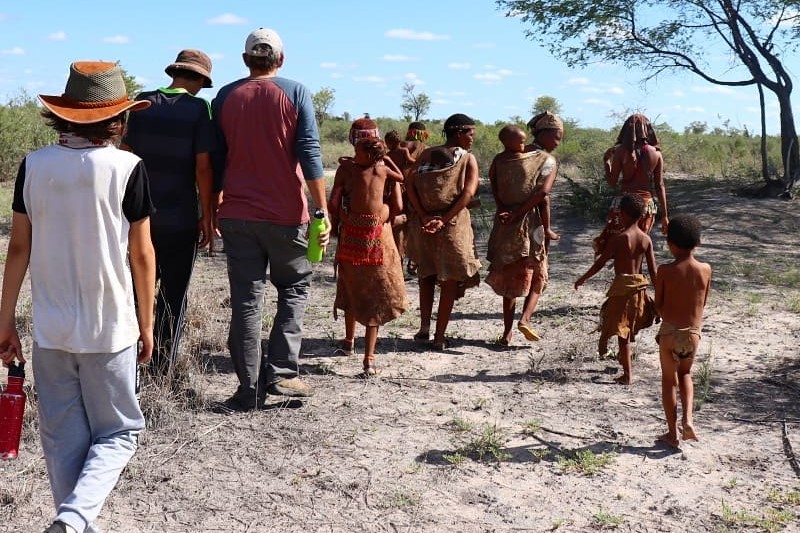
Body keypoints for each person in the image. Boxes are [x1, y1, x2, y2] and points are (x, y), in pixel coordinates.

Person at [0, 61, 155, 533]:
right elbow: (142, 254)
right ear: (118, 119)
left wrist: (5, 321)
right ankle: (72, 518)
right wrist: (147, 324)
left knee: (63, 437)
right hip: (110, 327)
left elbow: (19, 248)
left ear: (63, 115)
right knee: (120, 432)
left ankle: (73, 522)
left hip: (51, 327)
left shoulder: (34, 165)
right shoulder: (128, 167)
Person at [212, 28, 330, 409]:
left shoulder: (226, 96)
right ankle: (281, 375)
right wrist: (321, 210)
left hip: (236, 215)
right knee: (294, 289)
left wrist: (212, 208)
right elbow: (309, 152)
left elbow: (216, 159)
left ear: (246, 59)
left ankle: (248, 389)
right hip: (286, 216)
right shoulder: (295, 92)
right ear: (280, 59)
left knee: (247, 300)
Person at [121, 49, 217, 379]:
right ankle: (162, 368)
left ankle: (128, 362)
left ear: (174, 74)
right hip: (180, 218)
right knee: (173, 296)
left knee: (135, 291)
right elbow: (203, 167)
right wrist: (208, 214)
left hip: (137, 219)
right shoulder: (198, 108)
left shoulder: (142, 102)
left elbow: (126, 155)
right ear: (201, 81)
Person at [329, 119, 408, 375]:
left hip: (357, 235)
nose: (355, 153)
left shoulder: (351, 169)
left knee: (356, 288)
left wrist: (342, 219)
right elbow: (397, 207)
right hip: (375, 235)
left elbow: (334, 204)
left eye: (359, 149)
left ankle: (359, 350)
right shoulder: (378, 169)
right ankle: (359, 350)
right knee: (368, 292)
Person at [484, 114, 564, 345]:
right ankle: (525, 320)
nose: (557, 143)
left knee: (510, 276)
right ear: (544, 134)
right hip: (531, 223)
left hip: (505, 223)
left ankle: (507, 333)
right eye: (556, 137)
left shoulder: (503, 159)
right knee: (538, 272)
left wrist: (504, 211)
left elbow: (494, 185)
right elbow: (542, 194)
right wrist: (524, 216)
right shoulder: (545, 160)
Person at [406, 113, 481, 350]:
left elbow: (409, 184)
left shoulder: (426, 154)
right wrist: (444, 219)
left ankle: (424, 329)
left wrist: (424, 215)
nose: (472, 138)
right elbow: (467, 194)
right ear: (459, 133)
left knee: (426, 275)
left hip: (423, 226)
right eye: (470, 133)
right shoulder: (467, 159)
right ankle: (439, 336)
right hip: (452, 226)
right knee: (448, 279)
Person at [575, 193, 658, 385]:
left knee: (622, 332)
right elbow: (653, 271)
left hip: (622, 290)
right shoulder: (646, 239)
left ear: (624, 214)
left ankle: (627, 374)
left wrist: (583, 278)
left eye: (619, 213)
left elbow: (600, 264)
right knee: (627, 328)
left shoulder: (619, 239)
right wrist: (659, 292)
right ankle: (622, 359)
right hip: (639, 289)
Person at [654, 215, 711, 448]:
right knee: (685, 374)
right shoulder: (706, 269)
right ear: (698, 242)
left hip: (669, 333)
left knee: (669, 380)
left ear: (670, 243)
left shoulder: (665, 270)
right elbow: (703, 301)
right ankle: (688, 420)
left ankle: (672, 433)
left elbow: (659, 305)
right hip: (693, 335)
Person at [594, 113, 668, 256]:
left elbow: (612, 182)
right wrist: (665, 216)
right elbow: (660, 186)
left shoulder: (621, 152)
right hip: (646, 206)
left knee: (620, 246)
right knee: (639, 246)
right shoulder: (656, 154)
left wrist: (606, 162)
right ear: (647, 129)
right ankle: (637, 275)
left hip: (624, 204)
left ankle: (622, 276)